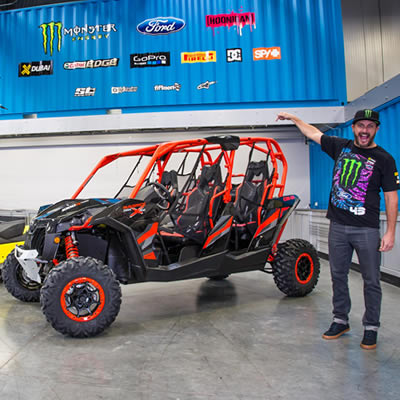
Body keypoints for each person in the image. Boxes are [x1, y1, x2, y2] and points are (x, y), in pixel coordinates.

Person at [276, 109, 399, 350]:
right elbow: (313, 133)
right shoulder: (340, 147)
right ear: (353, 128)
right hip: (339, 227)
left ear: (376, 129)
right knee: (338, 276)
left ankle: (371, 327)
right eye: (360, 125)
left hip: (366, 229)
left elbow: (392, 198)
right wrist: (294, 119)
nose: (365, 130)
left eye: (370, 126)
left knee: (371, 280)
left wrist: (390, 231)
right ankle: (340, 320)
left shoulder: (385, 159)